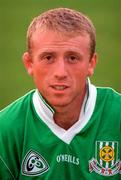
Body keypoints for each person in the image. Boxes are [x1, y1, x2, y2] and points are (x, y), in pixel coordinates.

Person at [0, 7, 120, 180]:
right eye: (48, 57)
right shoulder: (5, 130)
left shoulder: (117, 116)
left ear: (91, 63)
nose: (60, 72)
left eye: (72, 58)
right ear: (29, 63)